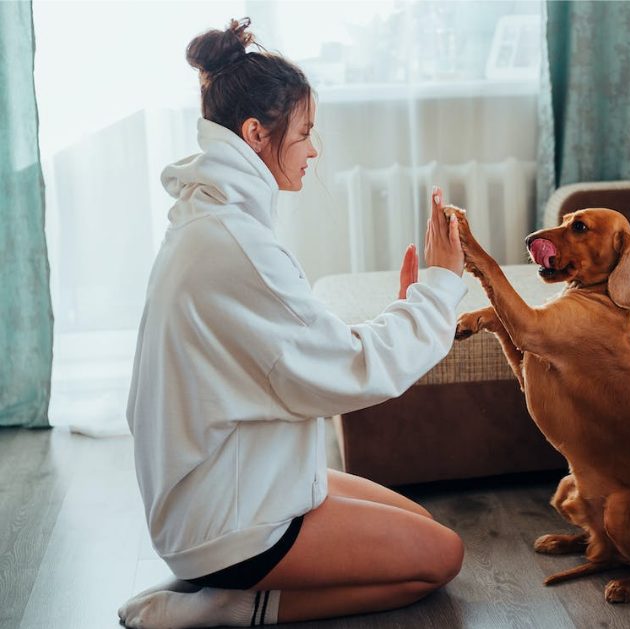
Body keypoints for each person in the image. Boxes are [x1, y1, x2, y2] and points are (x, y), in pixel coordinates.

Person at [118, 17, 466, 629]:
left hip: (226, 481)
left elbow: (302, 350)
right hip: (224, 524)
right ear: (255, 134)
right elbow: (349, 370)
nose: (315, 148)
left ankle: (232, 590)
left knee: (421, 530)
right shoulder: (233, 243)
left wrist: (409, 305)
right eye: (305, 133)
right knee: (440, 557)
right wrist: (438, 290)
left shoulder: (216, 221)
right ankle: (233, 606)